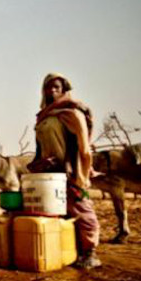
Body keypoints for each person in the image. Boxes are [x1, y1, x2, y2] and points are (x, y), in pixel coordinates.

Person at [28, 73, 101, 269]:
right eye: (48, 87)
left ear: (64, 89)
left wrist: (80, 174)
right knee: (59, 212)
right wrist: (38, 164)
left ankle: (90, 252)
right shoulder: (44, 116)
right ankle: (71, 251)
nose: (52, 91)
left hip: (69, 170)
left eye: (57, 87)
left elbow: (83, 148)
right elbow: (40, 146)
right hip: (49, 172)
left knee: (82, 208)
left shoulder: (72, 113)